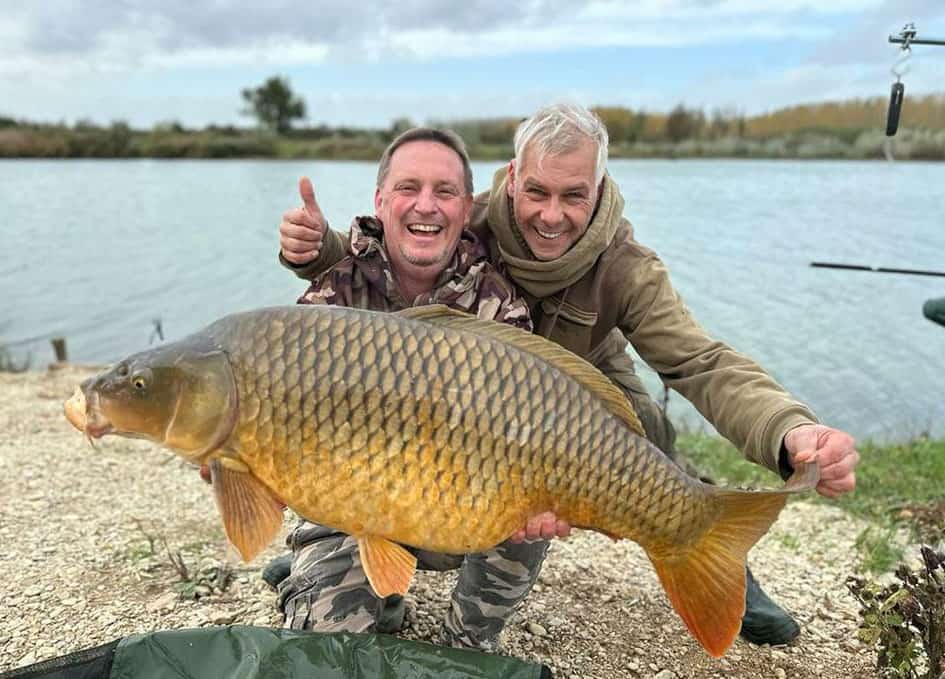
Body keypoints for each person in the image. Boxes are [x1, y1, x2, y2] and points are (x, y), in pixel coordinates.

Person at [277, 104, 861, 648]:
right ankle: (338, 547)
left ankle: (714, 549)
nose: (550, 214)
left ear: (598, 190)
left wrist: (790, 433)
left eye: (573, 196)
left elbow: (699, 362)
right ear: (511, 179)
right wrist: (317, 251)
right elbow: (390, 267)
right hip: (467, 391)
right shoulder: (462, 213)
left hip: (578, 381)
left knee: (645, 445)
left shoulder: (627, 268)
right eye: (536, 191)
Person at [272, 126, 559, 652]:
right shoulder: (332, 296)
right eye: (408, 188)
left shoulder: (499, 305)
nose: (426, 205)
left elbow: (529, 430)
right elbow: (281, 423)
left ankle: (467, 641)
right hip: (347, 510)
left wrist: (542, 498)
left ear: (466, 208)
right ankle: (329, 579)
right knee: (327, 653)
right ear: (380, 201)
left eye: (445, 191)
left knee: (527, 508)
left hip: (459, 506)